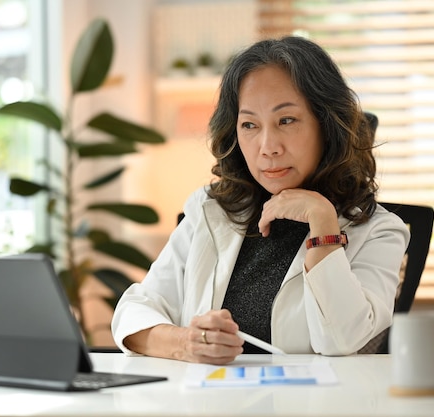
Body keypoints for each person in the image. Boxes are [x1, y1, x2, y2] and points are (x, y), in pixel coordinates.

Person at [111, 36, 410, 365]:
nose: (268, 146)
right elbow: (133, 313)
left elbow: (343, 342)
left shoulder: (381, 231)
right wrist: (187, 343)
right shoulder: (211, 209)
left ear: (326, 125)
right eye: (250, 124)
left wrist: (322, 222)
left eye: (286, 121)